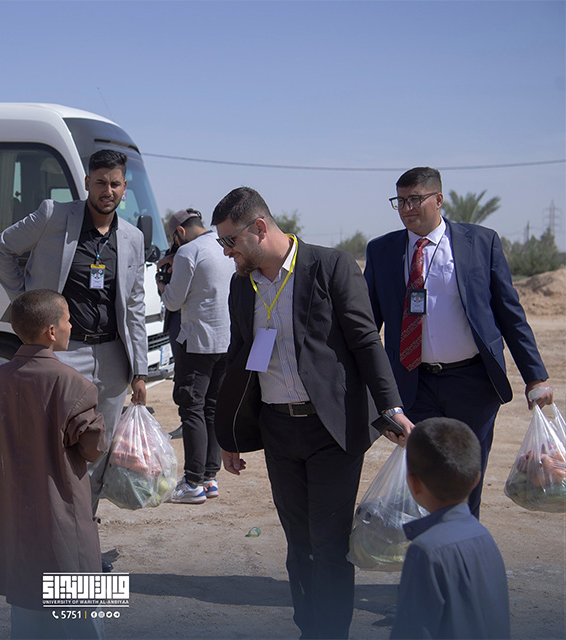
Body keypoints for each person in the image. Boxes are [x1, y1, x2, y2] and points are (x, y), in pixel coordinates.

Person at [211, 187, 412, 639]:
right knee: (299, 544)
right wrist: (229, 434)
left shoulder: (330, 265)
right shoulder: (241, 285)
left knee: (330, 543)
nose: (226, 252)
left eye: (230, 241)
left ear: (259, 227)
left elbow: (365, 340)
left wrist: (390, 406)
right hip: (278, 430)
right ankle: (309, 630)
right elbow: (238, 356)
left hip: (332, 430)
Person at [364, 166, 553, 519]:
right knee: (422, 477)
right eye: (400, 201)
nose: (407, 208)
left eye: (415, 199)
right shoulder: (381, 251)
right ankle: (427, 549)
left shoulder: (480, 243)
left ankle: (461, 546)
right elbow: (367, 328)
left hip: (473, 383)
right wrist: (375, 397)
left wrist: (535, 377)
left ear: (438, 199)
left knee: (465, 478)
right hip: (413, 383)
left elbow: (510, 314)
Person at [0, 149, 148, 523]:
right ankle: (46, 529)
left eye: (115, 183)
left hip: (112, 359)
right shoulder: (53, 215)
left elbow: (135, 305)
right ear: (87, 183)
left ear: (124, 187)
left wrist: (140, 371)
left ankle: (81, 533)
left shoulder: (133, 238)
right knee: (50, 445)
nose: (107, 190)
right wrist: (27, 303)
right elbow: (1, 249)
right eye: (100, 182)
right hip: (60, 354)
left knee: (96, 451)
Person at [0, 289, 107, 640]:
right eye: (67, 320)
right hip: (62, 513)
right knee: (84, 615)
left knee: (27, 613)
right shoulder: (74, 384)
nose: (72, 326)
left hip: (12, 514)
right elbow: (93, 448)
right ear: (51, 331)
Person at [391, 417, 510, 639]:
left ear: (413, 483)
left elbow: (412, 631)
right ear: (476, 480)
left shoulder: (426, 550)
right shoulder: (484, 536)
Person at [157, 208, 235, 503]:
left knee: (191, 409)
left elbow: (173, 302)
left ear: (179, 232)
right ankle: (210, 478)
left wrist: (162, 284)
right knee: (212, 408)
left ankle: (192, 482)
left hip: (197, 344)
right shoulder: (225, 244)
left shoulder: (188, 252)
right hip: (226, 342)